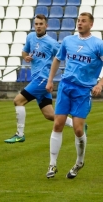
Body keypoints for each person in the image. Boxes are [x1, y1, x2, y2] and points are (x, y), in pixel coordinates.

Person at [45, 12, 103, 179]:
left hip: (83, 90)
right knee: (57, 124)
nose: (79, 23)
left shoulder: (98, 44)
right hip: (65, 86)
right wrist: (50, 80)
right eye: (78, 20)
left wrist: (100, 83)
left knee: (78, 129)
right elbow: (57, 59)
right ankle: (52, 164)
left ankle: (79, 162)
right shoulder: (68, 41)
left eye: (83, 21)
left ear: (91, 24)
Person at [4, 14, 73, 144]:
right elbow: (24, 52)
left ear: (46, 26)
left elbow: (63, 57)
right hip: (36, 79)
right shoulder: (30, 37)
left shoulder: (52, 43)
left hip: (43, 79)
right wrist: (25, 57)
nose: (38, 26)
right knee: (49, 115)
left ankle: (20, 134)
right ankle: (77, 125)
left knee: (18, 101)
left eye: (41, 24)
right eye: (36, 24)